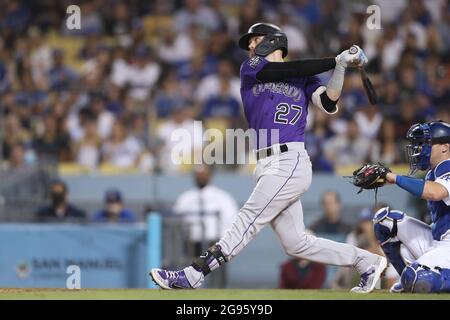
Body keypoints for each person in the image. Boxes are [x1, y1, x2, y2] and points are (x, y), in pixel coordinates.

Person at [151, 22, 386, 293]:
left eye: (254, 39)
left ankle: (194, 274)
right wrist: (334, 59)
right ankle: (367, 261)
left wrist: (342, 67)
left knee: (248, 218)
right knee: (296, 243)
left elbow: (330, 103)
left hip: (289, 159)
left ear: (274, 40)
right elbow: (285, 70)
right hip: (265, 162)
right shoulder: (252, 68)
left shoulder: (305, 77)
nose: (250, 45)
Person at [373, 121, 450, 293]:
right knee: (385, 221)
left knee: (419, 279)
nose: (421, 148)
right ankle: (407, 279)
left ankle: (416, 278)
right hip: (437, 240)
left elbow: (435, 192)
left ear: (445, 147)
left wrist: (394, 178)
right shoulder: (435, 170)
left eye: (427, 143)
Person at [173, 165, 239, 256]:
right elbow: (177, 221)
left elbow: (232, 222)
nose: (201, 177)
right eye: (198, 174)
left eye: (203, 174)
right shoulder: (185, 199)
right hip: (192, 246)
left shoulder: (223, 198)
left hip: (215, 245)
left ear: (210, 175)